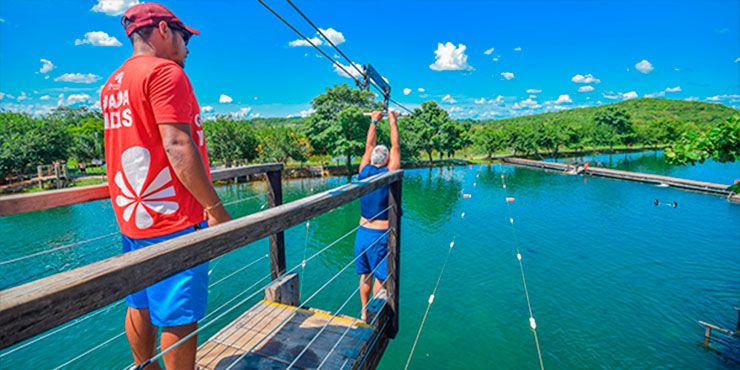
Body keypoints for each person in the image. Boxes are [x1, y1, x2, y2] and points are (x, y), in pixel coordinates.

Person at [100, 3, 231, 369]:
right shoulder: (165, 73)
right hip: (172, 217)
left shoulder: (112, 84)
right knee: (179, 313)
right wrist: (216, 211)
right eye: (184, 36)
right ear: (161, 30)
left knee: (139, 301)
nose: (188, 46)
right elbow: (176, 145)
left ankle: (146, 366)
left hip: (133, 216)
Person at [354, 110, 401, 321]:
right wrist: (393, 120)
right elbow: (396, 146)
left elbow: (368, 146)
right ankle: (375, 316)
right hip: (380, 236)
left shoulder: (363, 171)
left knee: (365, 275)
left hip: (362, 233)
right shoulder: (389, 172)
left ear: (372, 159)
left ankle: (364, 312)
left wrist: (374, 120)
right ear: (388, 160)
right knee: (381, 279)